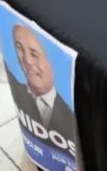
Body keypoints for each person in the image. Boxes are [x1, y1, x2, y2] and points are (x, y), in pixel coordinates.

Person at [7, 23, 76, 155]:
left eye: (34, 54)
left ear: (52, 62)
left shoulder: (72, 114)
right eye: (19, 49)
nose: (27, 60)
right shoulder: (17, 90)